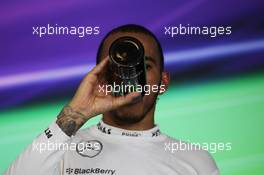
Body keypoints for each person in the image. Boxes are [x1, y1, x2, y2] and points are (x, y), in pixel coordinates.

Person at [5, 24, 220, 175]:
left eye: (144, 67)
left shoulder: (195, 161)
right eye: (116, 67)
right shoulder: (62, 150)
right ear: (98, 76)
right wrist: (75, 113)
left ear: (163, 82)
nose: (130, 78)